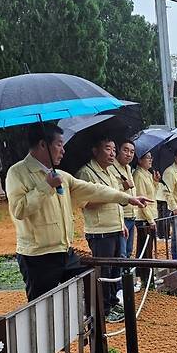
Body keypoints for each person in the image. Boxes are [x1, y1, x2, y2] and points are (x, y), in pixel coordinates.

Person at [5, 123, 150, 353]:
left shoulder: (61, 174)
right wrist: (46, 186)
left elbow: (93, 190)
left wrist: (127, 198)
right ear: (42, 146)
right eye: (58, 145)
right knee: (41, 311)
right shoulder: (19, 174)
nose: (63, 150)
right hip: (37, 256)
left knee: (92, 280)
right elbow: (19, 210)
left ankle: (93, 342)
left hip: (64, 252)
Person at [76, 136, 131, 323]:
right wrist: (109, 196)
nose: (112, 153)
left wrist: (121, 223)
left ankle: (113, 301)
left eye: (114, 149)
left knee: (115, 270)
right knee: (104, 272)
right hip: (100, 231)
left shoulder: (111, 172)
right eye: (108, 149)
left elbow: (116, 203)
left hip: (115, 228)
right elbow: (84, 203)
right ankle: (103, 309)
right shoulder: (86, 173)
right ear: (95, 150)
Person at [132, 151, 162, 287]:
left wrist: (155, 182)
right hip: (144, 217)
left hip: (150, 214)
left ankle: (148, 276)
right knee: (144, 249)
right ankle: (142, 277)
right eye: (147, 158)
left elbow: (152, 196)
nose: (150, 160)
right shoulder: (138, 175)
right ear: (139, 160)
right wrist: (150, 219)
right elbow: (142, 200)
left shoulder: (148, 174)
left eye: (151, 157)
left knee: (148, 248)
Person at [111, 140, 137, 262]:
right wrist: (124, 187)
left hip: (132, 215)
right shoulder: (111, 168)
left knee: (128, 251)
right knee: (121, 255)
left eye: (132, 152)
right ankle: (120, 280)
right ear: (118, 151)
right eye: (125, 150)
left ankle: (127, 279)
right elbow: (110, 192)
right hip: (121, 217)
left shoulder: (128, 168)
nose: (129, 154)